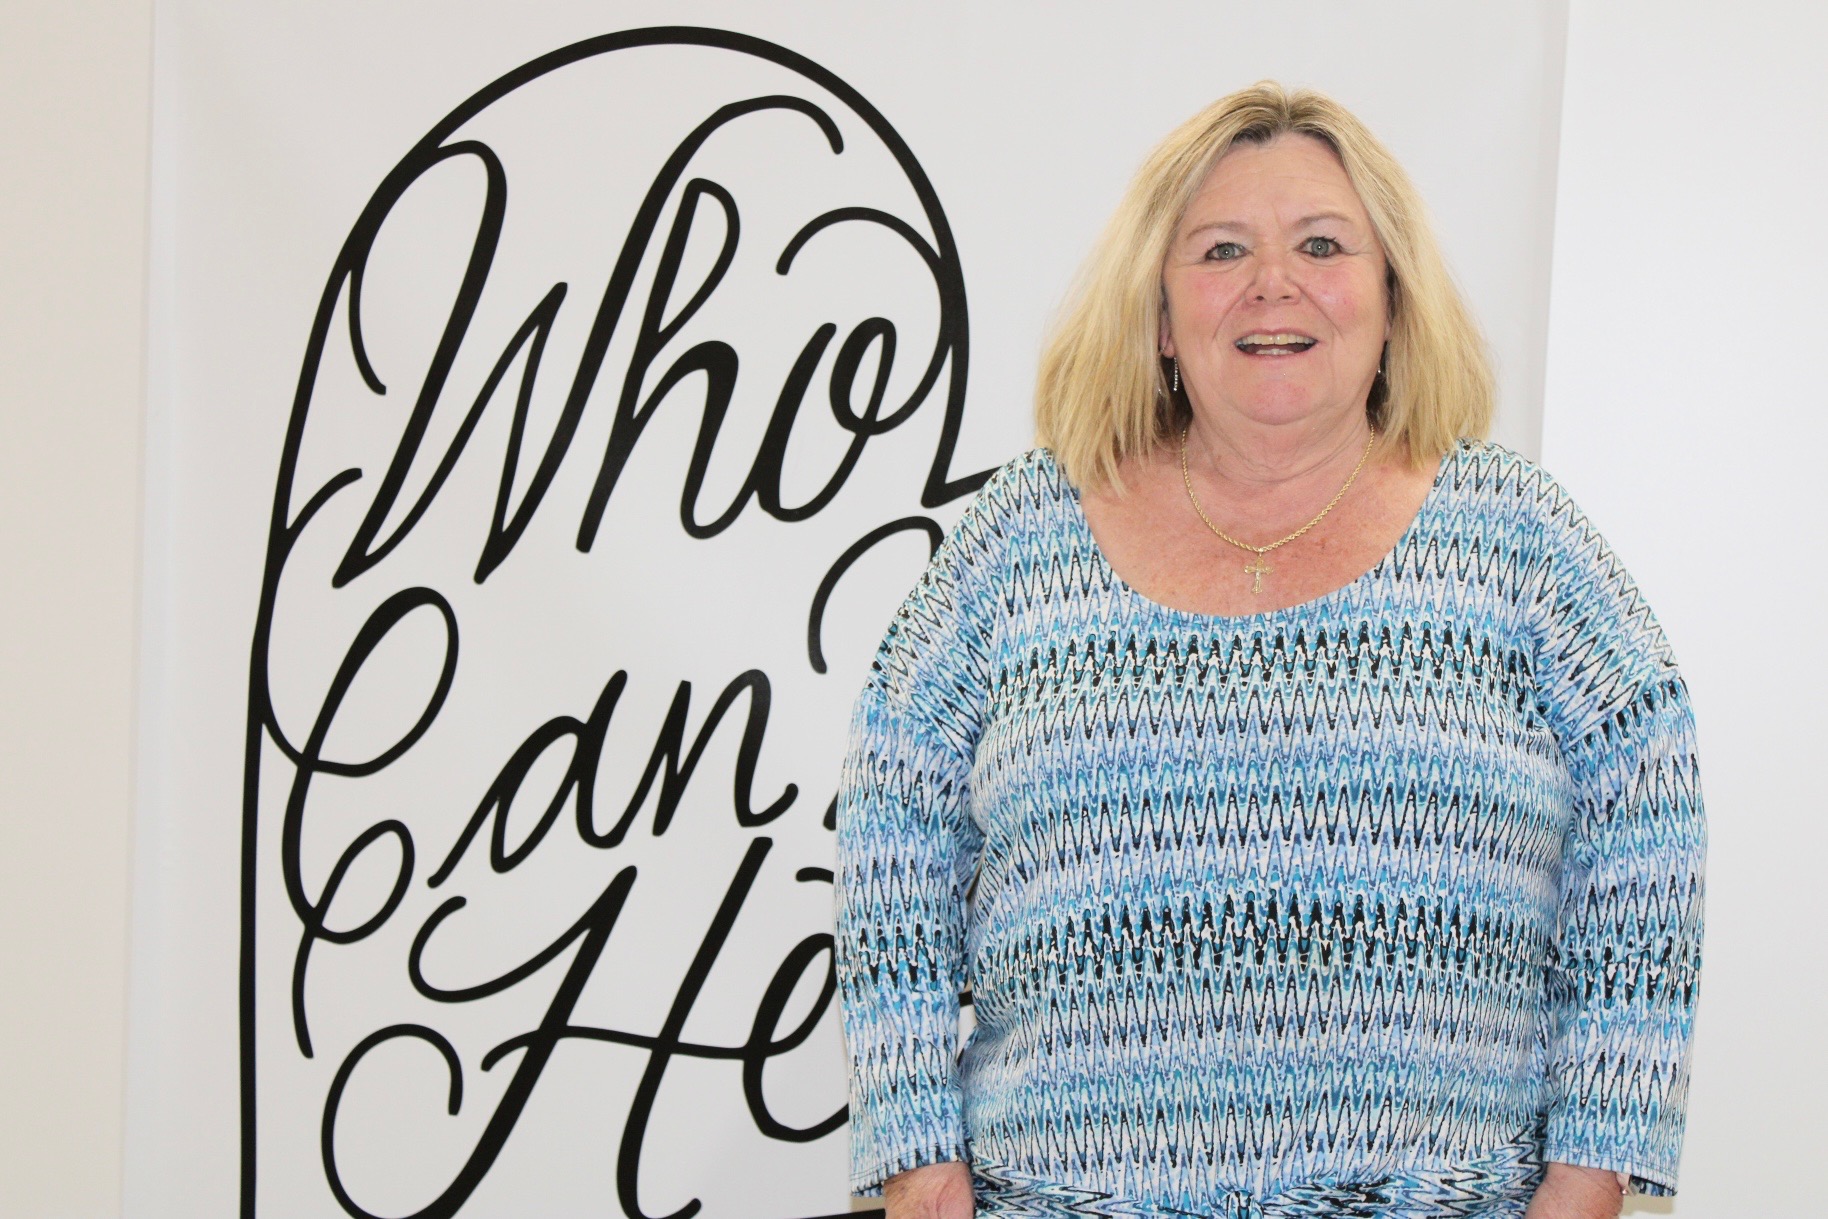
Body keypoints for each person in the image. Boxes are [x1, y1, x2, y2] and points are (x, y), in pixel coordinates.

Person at [834, 82, 1704, 1219]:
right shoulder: (1020, 534)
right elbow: (892, 834)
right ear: (1159, 314)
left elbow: (1647, 826)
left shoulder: (1519, 536)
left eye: (1322, 244)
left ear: (1392, 299)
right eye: (1221, 249)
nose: (1273, 282)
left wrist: (1590, 1174)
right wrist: (917, 1158)